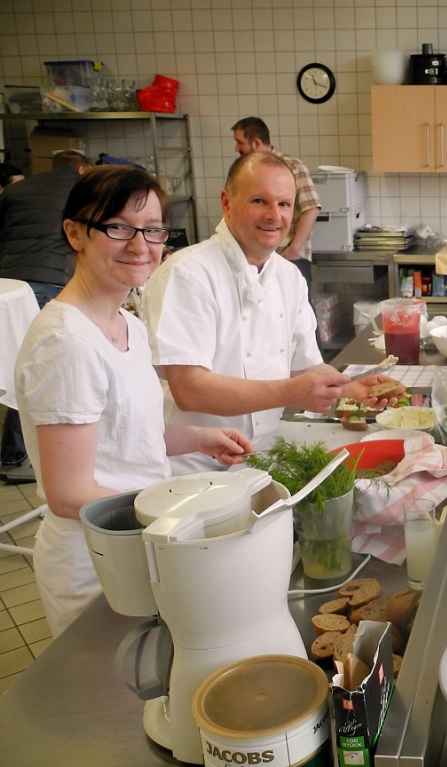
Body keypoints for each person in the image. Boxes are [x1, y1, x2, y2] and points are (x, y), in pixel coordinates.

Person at [14, 166, 252, 637]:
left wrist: (200, 438)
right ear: (75, 232)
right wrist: (183, 512)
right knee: (111, 700)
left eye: (152, 229)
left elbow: (127, 436)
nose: (140, 245)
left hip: (139, 540)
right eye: (118, 227)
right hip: (96, 561)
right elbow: (68, 493)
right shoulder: (65, 342)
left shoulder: (128, 324)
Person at [143, 151, 401, 474]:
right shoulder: (187, 273)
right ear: (226, 202)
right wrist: (292, 392)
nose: (274, 216)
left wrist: (350, 387)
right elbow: (189, 390)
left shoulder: (288, 277)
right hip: (191, 469)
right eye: (258, 201)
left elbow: (304, 367)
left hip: (260, 456)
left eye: (284, 204)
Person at [0, 149, 93, 484]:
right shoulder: (82, 192)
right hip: (47, 280)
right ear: (81, 169)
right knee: (39, 370)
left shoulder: (15, 189)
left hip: (7, 285)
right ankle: (14, 456)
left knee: (14, 362)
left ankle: (14, 453)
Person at [231, 116, 321, 289]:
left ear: (256, 143)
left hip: (289, 256)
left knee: (297, 311)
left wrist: (295, 248)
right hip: (257, 259)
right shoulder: (247, 172)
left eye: (239, 142)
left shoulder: (290, 166)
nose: (236, 148)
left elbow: (311, 207)